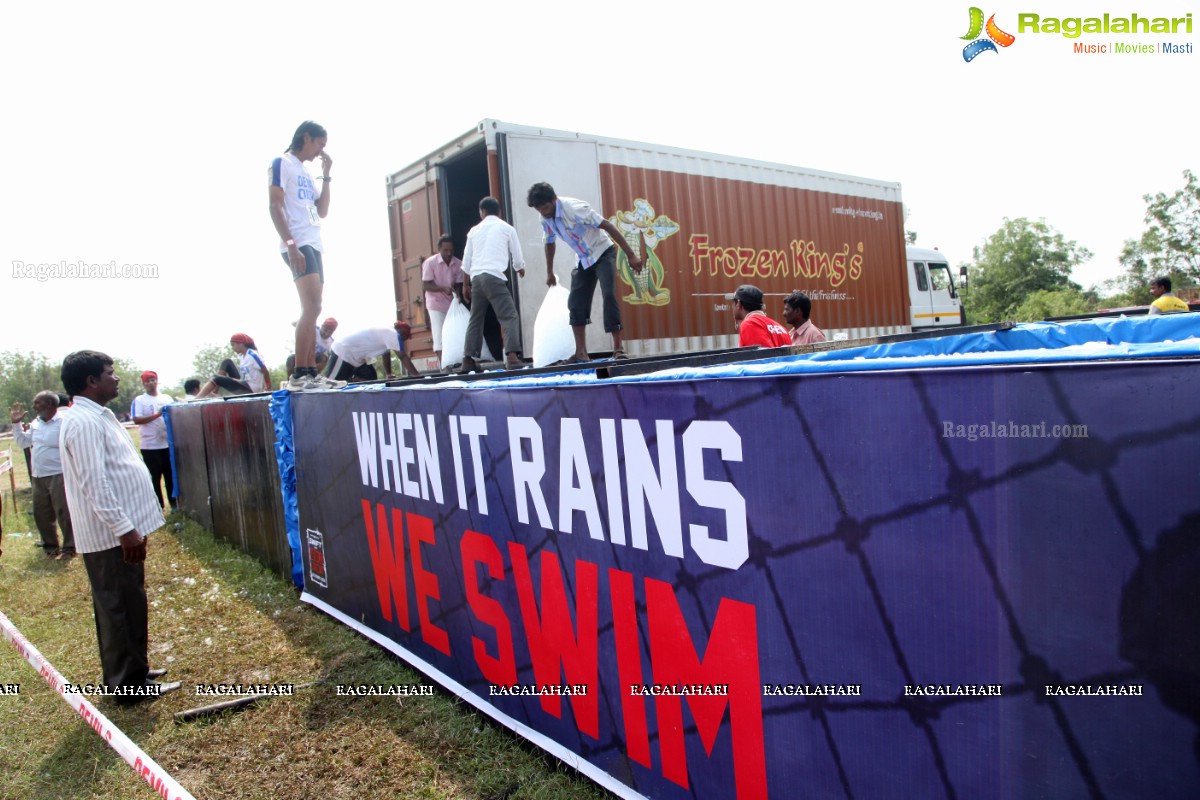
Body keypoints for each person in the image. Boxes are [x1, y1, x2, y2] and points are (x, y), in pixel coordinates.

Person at [59, 350, 179, 704]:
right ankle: (129, 685)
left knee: (128, 601)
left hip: (118, 532)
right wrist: (124, 529)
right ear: (91, 381)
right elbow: (94, 483)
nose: (117, 378)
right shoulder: (82, 422)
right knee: (119, 606)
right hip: (109, 536)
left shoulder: (97, 415)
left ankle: (132, 670)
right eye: (110, 373)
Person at [527, 182, 644, 362]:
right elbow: (549, 242)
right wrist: (549, 271)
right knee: (575, 302)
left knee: (609, 295)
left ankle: (618, 349)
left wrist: (631, 255)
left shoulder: (574, 209)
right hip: (583, 258)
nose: (543, 212)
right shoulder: (545, 219)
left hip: (603, 251)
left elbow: (607, 225)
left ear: (554, 200)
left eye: (545, 207)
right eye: (539, 209)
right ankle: (581, 352)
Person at [268, 120, 344, 391]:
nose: (319, 151)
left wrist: (326, 173)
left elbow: (320, 211)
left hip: (314, 242)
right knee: (311, 306)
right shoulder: (282, 163)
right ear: (306, 137)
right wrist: (290, 242)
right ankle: (301, 374)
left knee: (316, 306)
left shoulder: (307, 173)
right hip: (297, 242)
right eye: (319, 145)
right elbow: (274, 205)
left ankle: (310, 372)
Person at [461, 197, 526, 372]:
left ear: (482, 212)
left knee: (476, 319)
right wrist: (519, 267)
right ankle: (512, 356)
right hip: (494, 277)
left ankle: (467, 359)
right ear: (499, 212)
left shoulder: (473, 231)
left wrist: (465, 285)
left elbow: (466, 261)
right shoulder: (506, 228)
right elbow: (517, 254)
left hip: (476, 279)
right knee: (509, 316)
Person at [10, 392, 76, 559]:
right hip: (38, 475)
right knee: (42, 513)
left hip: (59, 473)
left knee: (63, 512)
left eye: (37, 403)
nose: (34, 406)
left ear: (49, 404)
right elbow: (22, 442)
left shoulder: (64, 422)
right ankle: (50, 547)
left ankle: (69, 548)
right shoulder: (35, 423)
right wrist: (16, 424)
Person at [130, 371, 175, 511]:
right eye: (147, 381)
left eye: (152, 380)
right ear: (143, 384)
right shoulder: (140, 400)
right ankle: (158, 507)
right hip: (150, 445)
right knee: (155, 477)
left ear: (157, 381)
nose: (150, 383)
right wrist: (157, 415)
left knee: (170, 475)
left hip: (167, 443)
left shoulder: (166, 398)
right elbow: (137, 419)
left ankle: (174, 504)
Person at [324, 323, 419, 383]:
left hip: (355, 359)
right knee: (332, 385)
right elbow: (403, 357)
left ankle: (352, 380)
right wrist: (417, 376)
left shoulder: (386, 333)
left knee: (370, 379)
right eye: (405, 339)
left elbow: (386, 354)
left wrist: (389, 374)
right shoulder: (392, 334)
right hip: (343, 353)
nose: (403, 342)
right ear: (402, 334)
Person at [422, 236, 463, 364]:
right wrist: (441, 288)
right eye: (445, 250)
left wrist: (459, 294)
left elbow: (458, 284)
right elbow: (426, 285)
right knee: (439, 334)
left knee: (453, 333)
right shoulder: (430, 263)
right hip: (435, 303)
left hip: (451, 304)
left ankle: (455, 361)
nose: (449, 253)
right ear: (439, 249)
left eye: (451, 250)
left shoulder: (458, 263)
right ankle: (444, 365)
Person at [727, 284, 791, 347]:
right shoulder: (781, 328)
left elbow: (763, 355)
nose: (732, 307)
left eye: (733, 303)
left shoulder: (749, 324)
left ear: (738, 304)